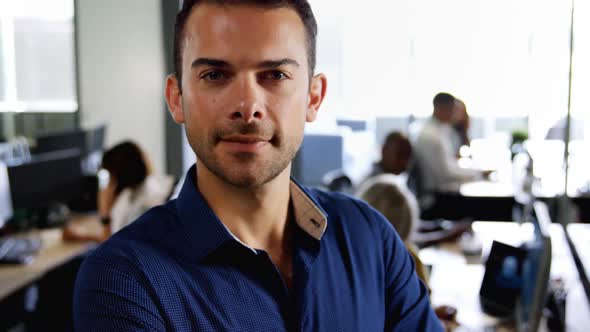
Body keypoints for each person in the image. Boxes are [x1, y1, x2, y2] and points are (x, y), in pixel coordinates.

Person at [73, 1, 442, 331]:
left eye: (275, 75)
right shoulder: (124, 280)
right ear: (176, 98)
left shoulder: (371, 239)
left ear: (314, 97)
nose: (248, 105)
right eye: (215, 75)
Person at [63, 141, 175, 242]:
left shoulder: (140, 208)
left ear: (117, 177)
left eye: (110, 176)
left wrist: (105, 213)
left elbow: (111, 245)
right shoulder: (153, 186)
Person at [412, 92, 488, 194]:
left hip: (441, 191)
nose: (456, 114)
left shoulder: (438, 130)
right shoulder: (433, 136)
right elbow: (447, 174)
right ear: (440, 108)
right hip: (437, 196)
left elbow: (450, 166)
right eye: (453, 109)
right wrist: (479, 173)